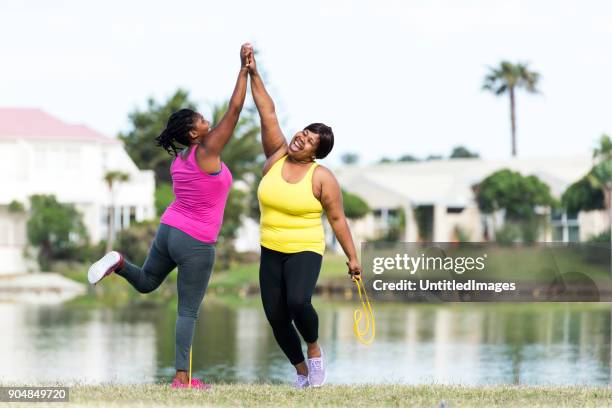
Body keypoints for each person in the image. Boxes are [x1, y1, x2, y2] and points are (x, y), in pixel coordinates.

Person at [86, 43, 252, 389]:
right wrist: (243, 70)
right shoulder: (206, 152)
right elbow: (235, 110)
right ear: (194, 134)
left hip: (168, 230)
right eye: (203, 121)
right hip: (196, 242)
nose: (210, 122)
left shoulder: (180, 162)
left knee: (146, 282)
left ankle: (119, 262)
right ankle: (181, 378)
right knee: (187, 311)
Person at [246, 46, 363, 389]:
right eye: (303, 132)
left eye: (310, 140)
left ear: (317, 151)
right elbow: (266, 112)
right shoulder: (275, 159)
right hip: (271, 248)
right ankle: (301, 373)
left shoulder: (322, 177)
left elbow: (338, 220)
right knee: (276, 316)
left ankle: (314, 349)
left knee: (298, 302)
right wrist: (253, 72)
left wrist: (353, 258)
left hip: (305, 249)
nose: (301, 138)